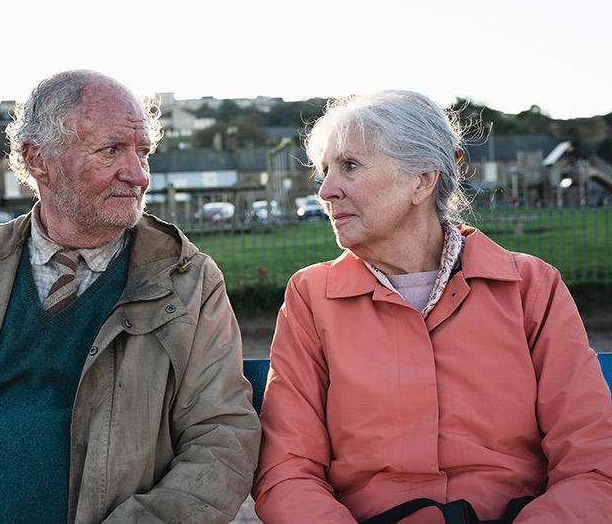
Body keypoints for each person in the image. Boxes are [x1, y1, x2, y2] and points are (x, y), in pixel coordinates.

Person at [0, 70, 261, 523]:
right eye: (111, 151)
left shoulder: (188, 282)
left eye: (143, 152)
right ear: (37, 159)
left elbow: (223, 441)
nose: (138, 174)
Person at [252, 90, 612, 523]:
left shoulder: (530, 288)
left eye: (349, 165)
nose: (326, 191)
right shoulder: (311, 297)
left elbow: (592, 462)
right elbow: (287, 470)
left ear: (423, 180)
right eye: (325, 171)